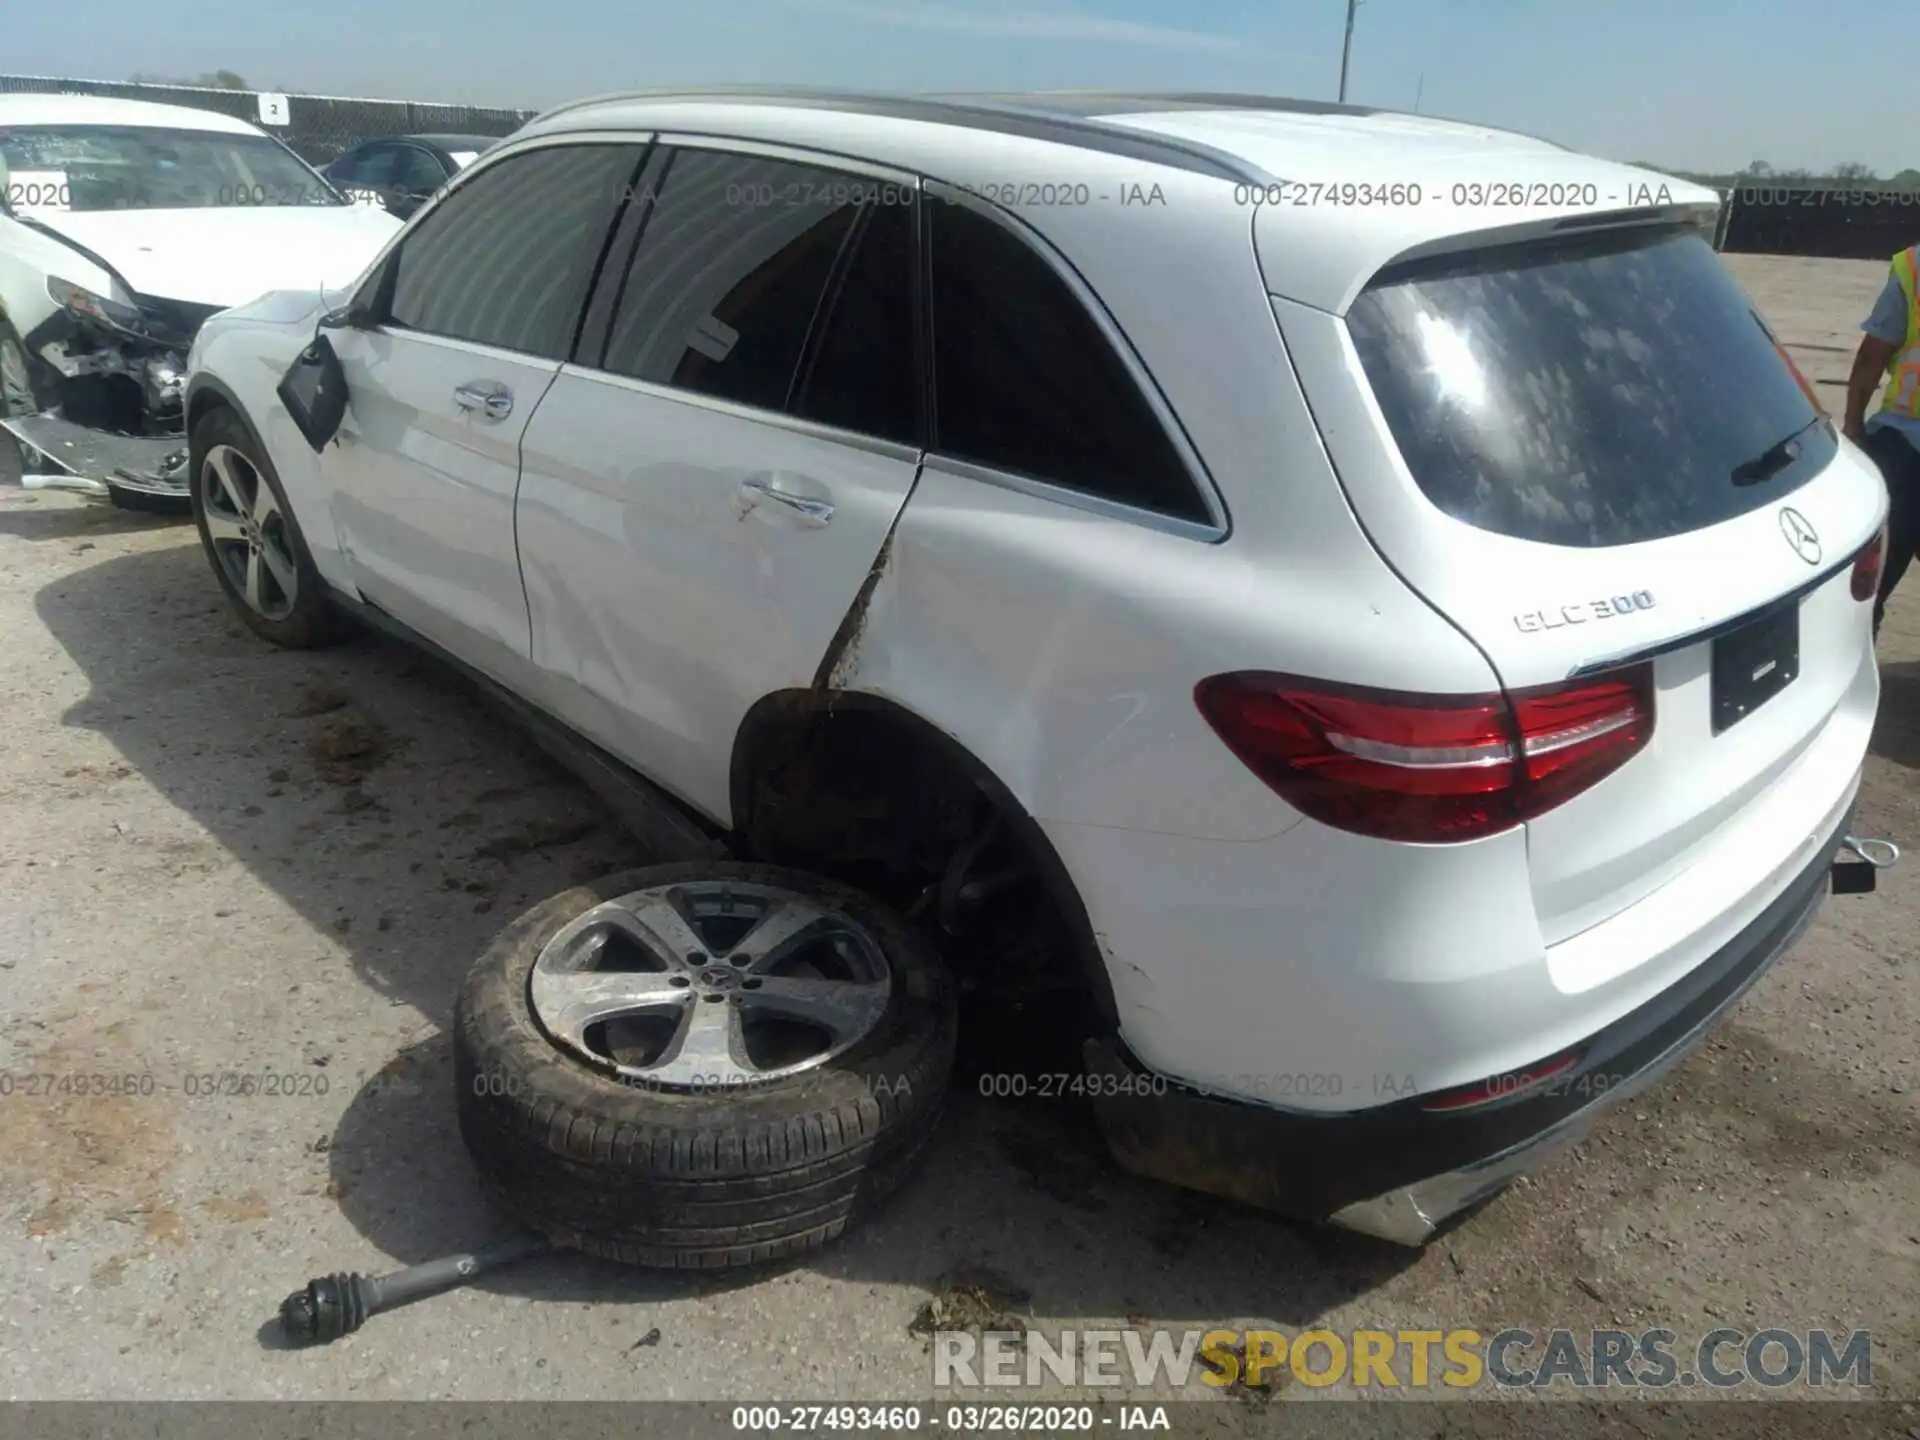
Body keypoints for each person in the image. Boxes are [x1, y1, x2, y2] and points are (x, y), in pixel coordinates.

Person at [1844, 242, 1920, 633]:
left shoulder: (1914, 265)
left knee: (1866, 588)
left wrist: (1853, 427)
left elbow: (1873, 355)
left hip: (1903, 445)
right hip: (1904, 444)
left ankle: (1851, 678)